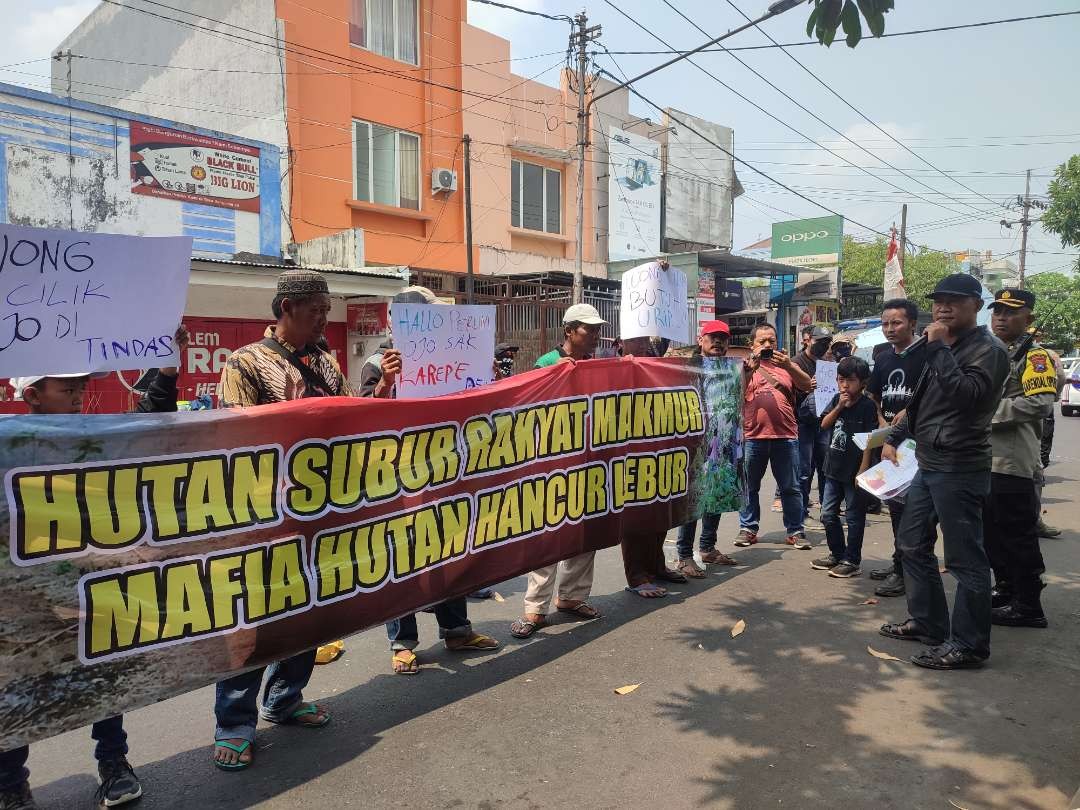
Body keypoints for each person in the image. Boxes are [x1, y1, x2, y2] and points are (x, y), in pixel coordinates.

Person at [1, 327, 189, 810]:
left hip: (90, 589)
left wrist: (167, 367)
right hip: (26, 599)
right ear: (32, 394)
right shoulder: (10, 444)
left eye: (82, 387)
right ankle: (10, 784)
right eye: (67, 388)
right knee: (17, 686)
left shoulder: (96, 435)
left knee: (103, 683)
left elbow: (149, 424)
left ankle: (114, 765)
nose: (79, 396)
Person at [213, 270, 345, 770]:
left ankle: (286, 699)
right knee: (255, 620)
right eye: (317, 309)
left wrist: (386, 390)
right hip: (264, 517)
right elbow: (235, 434)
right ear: (288, 306)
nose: (323, 318)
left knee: (310, 612)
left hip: (320, 511)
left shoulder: (326, 363)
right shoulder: (243, 363)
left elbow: (349, 420)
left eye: (328, 309)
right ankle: (234, 723)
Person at [364, 287, 500, 672]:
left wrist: (485, 379)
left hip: (443, 475)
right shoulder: (377, 364)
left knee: (450, 552)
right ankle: (402, 642)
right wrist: (385, 387)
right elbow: (359, 425)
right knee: (403, 560)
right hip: (398, 483)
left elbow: (470, 404)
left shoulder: (451, 354)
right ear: (396, 321)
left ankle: (456, 630)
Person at [879, 274, 1009, 670]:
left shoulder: (988, 349)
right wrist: (897, 433)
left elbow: (968, 398)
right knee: (912, 543)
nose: (943, 308)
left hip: (960, 464)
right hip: (930, 461)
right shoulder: (946, 346)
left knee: (964, 559)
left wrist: (937, 351)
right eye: (939, 301)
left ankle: (968, 645)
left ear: (976, 306)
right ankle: (929, 622)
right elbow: (922, 402)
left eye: (954, 301)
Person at [510, 303, 607, 637]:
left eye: (596, 330)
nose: (595, 335)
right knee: (548, 534)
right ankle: (535, 608)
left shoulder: (597, 366)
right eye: (589, 329)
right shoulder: (547, 364)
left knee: (585, 533)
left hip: (588, 460)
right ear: (569, 332)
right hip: (552, 463)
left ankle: (572, 597)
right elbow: (532, 409)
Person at [984, 288, 1056, 628]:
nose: (1001, 317)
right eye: (997, 310)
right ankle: (1007, 588)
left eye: (1010, 312)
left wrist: (987, 413)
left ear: (1028, 318)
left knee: (1017, 533)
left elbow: (1040, 404)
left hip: (1012, 459)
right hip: (986, 458)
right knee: (992, 532)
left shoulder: (1035, 356)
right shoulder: (995, 353)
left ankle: (1028, 604)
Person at [866, 298, 931, 598]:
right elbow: (873, 394)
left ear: (913, 324)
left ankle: (910, 572)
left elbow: (930, 397)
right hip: (890, 445)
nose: (890, 329)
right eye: (885, 323)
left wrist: (910, 412)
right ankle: (898, 564)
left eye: (897, 323)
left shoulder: (927, 354)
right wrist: (881, 417)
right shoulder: (883, 359)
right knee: (895, 507)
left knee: (915, 512)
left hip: (918, 445)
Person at [733, 323, 813, 550]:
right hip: (753, 437)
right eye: (762, 341)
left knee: (791, 487)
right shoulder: (744, 366)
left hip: (786, 436)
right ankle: (748, 528)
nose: (768, 345)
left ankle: (795, 531)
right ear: (752, 345)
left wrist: (789, 365)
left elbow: (807, 385)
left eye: (772, 341)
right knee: (749, 487)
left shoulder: (787, 366)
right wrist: (749, 370)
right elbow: (735, 394)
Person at [619, 335, 687, 598]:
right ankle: (637, 575)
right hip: (633, 451)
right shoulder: (620, 365)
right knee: (636, 516)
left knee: (662, 510)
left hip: (664, 446)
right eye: (644, 342)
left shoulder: (667, 365)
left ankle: (656, 565)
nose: (652, 346)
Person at [675, 320, 738, 578]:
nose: (718, 342)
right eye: (712, 337)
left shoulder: (733, 368)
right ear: (701, 340)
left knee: (718, 493)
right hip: (694, 443)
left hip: (722, 441)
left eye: (723, 337)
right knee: (694, 499)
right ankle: (684, 555)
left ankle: (708, 547)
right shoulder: (687, 368)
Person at [811, 356, 884, 578]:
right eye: (841, 379)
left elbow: (870, 441)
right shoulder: (836, 400)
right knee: (827, 514)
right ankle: (837, 553)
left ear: (862, 382)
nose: (845, 385)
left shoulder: (867, 406)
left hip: (854, 470)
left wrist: (863, 469)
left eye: (850, 380)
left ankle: (852, 560)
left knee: (854, 516)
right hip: (833, 467)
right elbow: (824, 424)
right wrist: (839, 406)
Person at [793, 325, 833, 520]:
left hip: (824, 421)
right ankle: (801, 513)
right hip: (804, 423)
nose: (824, 346)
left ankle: (828, 510)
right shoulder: (796, 362)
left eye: (827, 342)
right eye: (820, 341)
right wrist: (807, 387)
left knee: (825, 468)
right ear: (808, 339)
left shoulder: (827, 363)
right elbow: (789, 392)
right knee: (804, 471)